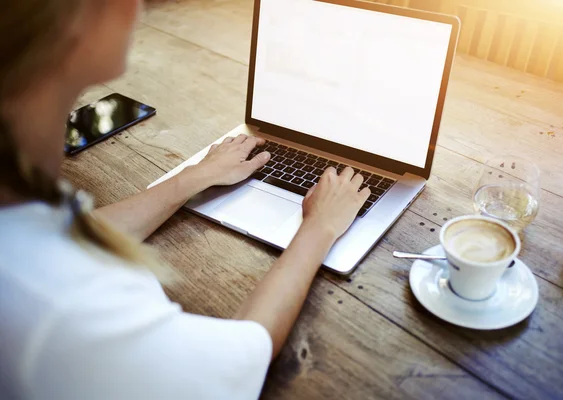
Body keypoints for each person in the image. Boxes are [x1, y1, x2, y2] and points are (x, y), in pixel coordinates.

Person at [0, 1, 371, 399]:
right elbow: (244, 352)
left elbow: (63, 244)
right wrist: (319, 227)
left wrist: (190, 179)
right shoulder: (67, 311)